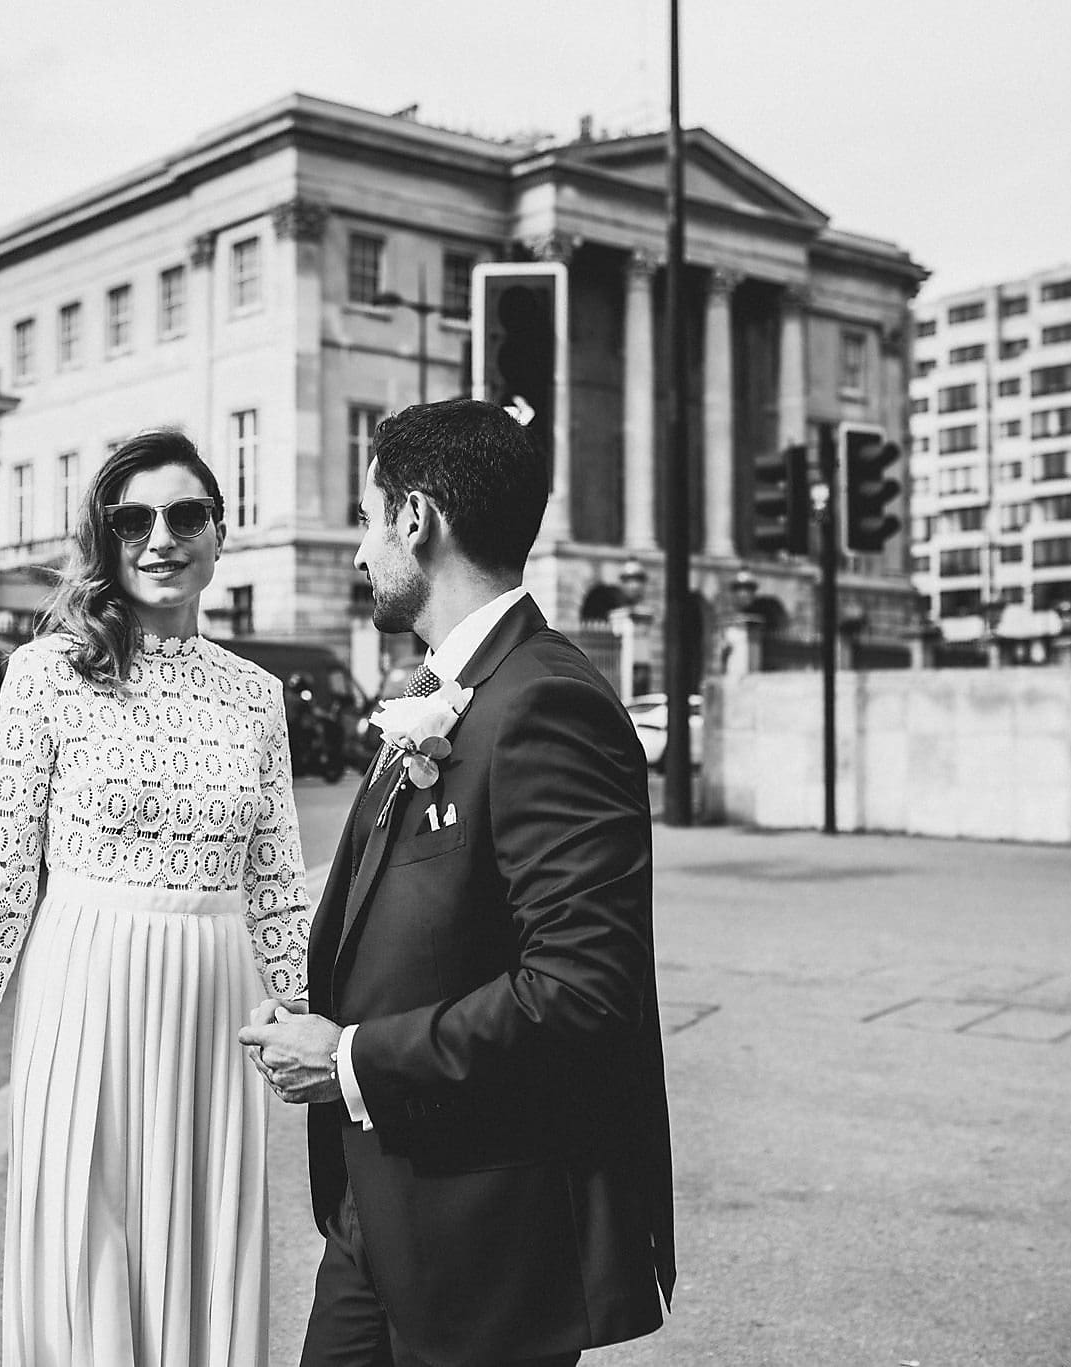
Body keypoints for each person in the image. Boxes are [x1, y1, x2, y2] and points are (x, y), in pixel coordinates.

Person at [240, 398, 674, 1367]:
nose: (358, 552)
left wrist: (350, 1056)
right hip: (380, 1200)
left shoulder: (545, 701)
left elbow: (579, 992)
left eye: (364, 518)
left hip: (484, 1230)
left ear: (414, 519)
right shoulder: (449, 688)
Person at [0, 429, 310, 1367]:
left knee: (202, 1254)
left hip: (213, 1014)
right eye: (134, 519)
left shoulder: (258, 697)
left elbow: (276, 886)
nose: (162, 537)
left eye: (186, 514)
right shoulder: (45, 676)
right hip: (85, 997)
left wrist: (329, 1039)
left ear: (219, 531)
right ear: (106, 538)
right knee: (88, 1247)